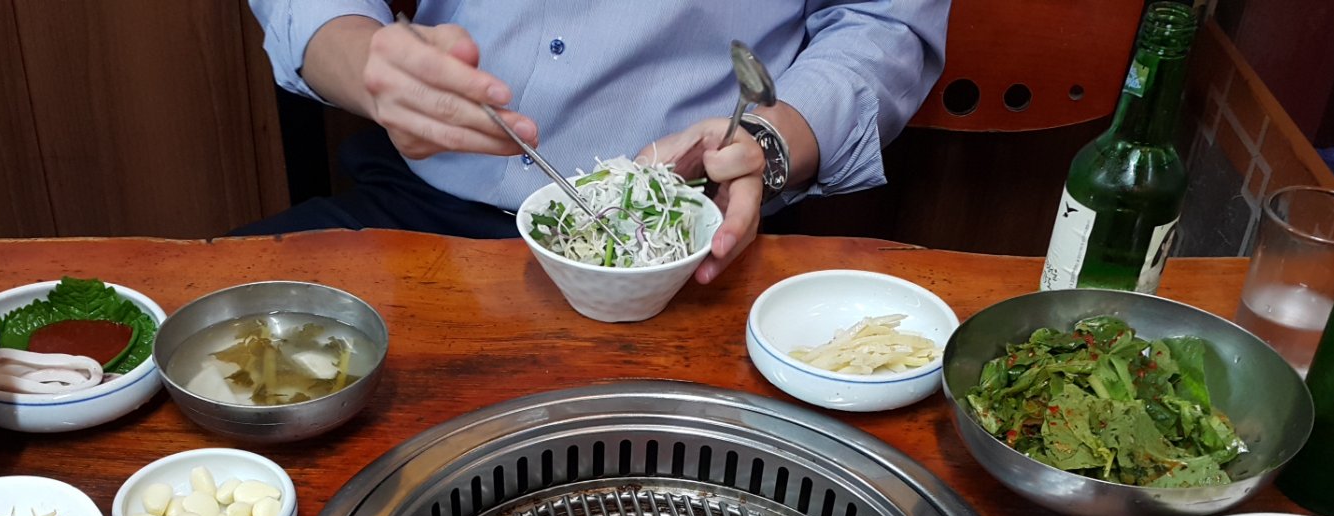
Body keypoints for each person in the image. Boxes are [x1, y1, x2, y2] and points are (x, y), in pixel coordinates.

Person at [246, 2, 950, 283]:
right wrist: (361, 58)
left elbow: (882, 24)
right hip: (417, 205)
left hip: (684, 232)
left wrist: (769, 139)